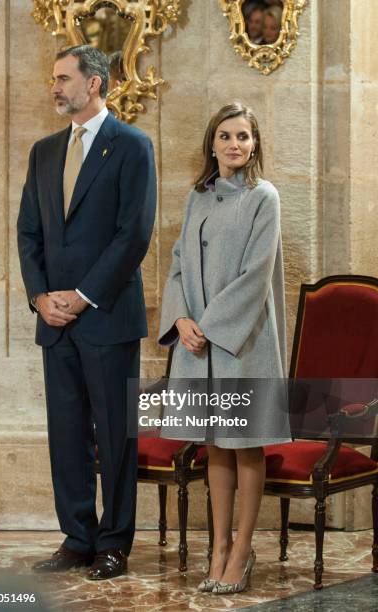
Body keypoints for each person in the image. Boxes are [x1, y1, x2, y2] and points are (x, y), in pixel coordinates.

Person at [17, 44, 156, 580]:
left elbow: (133, 235)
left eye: (61, 78)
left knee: (115, 433)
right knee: (67, 433)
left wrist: (84, 295)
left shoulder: (132, 146)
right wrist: (40, 296)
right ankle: (77, 538)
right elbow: (29, 231)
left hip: (107, 316)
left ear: (93, 83)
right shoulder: (44, 151)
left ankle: (114, 542)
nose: (53, 87)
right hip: (54, 322)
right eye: (53, 78)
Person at [158, 102, 289, 594]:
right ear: (212, 143)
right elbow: (176, 263)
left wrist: (209, 326)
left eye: (245, 137)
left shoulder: (264, 197)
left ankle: (241, 551)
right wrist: (180, 318)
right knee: (214, 445)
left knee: (245, 446)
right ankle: (217, 548)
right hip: (196, 344)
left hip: (242, 343)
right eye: (227, 136)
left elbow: (256, 275)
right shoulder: (198, 197)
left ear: (255, 144)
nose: (236, 144)